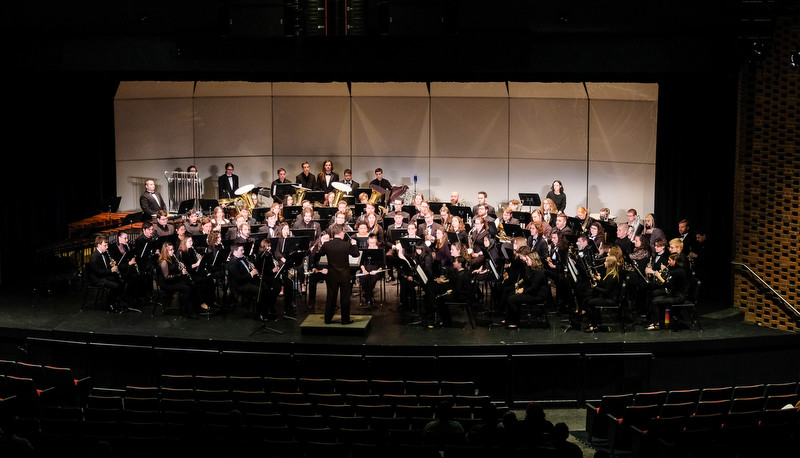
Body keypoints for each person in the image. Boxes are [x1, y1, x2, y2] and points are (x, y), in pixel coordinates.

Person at [315, 224, 360, 324]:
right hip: (344, 275)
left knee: (331, 297)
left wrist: (322, 243)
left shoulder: (327, 245)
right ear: (341, 233)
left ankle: (327, 319)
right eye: (344, 232)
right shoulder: (346, 245)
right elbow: (356, 254)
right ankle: (345, 320)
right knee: (345, 298)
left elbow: (319, 254)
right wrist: (354, 244)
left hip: (332, 275)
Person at [228, 243, 279, 320]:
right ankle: (259, 314)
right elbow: (238, 278)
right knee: (259, 291)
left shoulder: (242, 258)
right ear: (235, 251)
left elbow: (246, 268)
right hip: (240, 284)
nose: (243, 251)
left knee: (266, 287)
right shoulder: (232, 263)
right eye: (241, 250)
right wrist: (251, 274)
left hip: (248, 280)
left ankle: (266, 310)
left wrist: (251, 266)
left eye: (243, 249)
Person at [647, 253, 689, 330]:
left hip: (678, 297)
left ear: (675, 261)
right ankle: (659, 321)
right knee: (654, 297)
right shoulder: (676, 269)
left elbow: (668, 284)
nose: (668, 262)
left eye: (670, 260)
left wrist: (659, 276)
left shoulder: (678, 271)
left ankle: (656, 324)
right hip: (674, 293)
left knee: (655, 301)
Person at [505, 253, 548, 329]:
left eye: (528, 259)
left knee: (511, 299)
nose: (526, 261)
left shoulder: (538, 272)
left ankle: (514, 321)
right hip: (533, 293)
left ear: (533, 260)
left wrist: (522, 291)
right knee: (510, 294)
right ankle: (509, 319)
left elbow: (534, 288)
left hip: (537, 296)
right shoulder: (532, 269)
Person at [157, 242, 198, 318]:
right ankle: (185, 311)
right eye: (170, 250)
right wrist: (180, 274)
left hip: (172, 281)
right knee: (186, 288)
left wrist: (179, 268)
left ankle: (191, 309)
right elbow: (167, 277)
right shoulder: (163, 262)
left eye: (173, 249)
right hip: (166, 284)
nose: (173, 251)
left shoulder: (171, 258)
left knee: (190, 284)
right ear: (166, 251)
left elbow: (173, 270)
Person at [86, 235, 124, 311]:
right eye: (105, 245)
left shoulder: (104, 254)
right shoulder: (94, 257)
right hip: (96, 279)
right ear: (99, 245)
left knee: (120, 281)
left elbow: (104, 267)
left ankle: (116, 303)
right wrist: (111, 270)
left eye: (107, 245)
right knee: (115, 285)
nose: (107, 247)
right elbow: (98, 272)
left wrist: (111, 265)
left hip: (102, 276)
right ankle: (110, 305)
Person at [584, 255, 621, 332]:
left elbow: (606, 291)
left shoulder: (612, 276)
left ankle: (594, 325)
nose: (604, 263)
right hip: (608, 297)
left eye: (606, 261)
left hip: (610, 299)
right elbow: (605, 285)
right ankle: (595, 323)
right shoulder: (610, 274)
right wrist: (598, 280)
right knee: (588, 301)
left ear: (610, 263)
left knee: (589, 303)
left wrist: (595, 287)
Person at [358, 233, 384, 309]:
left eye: (373, 242)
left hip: (376, 270)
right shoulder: (364, 249)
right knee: (363, 279)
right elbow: (361, 263)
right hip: (365, 269)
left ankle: (367, 296)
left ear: (376, 241)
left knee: (374, 278)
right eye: (370, 242)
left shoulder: (380, 250)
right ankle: (369, 296)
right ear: (368, 241)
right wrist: (363, 270)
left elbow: (382, 265)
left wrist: (377, 271)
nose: (372, 244)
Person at [306, 232, 330, 312]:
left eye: (328, 239)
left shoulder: (331, 247)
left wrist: (328, 269)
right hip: (318, 270)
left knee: (332, 281)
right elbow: (312, 261)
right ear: (321, 239)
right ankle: (311, 302)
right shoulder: (316, 248)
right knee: (312, 280)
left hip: (328, 270)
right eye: (324, 239)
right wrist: (316, 269)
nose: (326, 240)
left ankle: (330, 302)